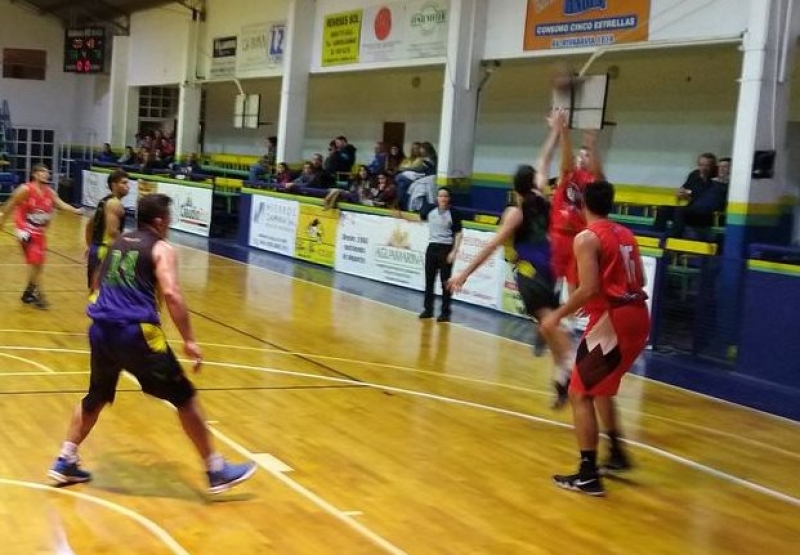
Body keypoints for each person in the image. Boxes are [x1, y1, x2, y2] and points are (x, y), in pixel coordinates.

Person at [47, 194, 257, 494]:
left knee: (96, 396)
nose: (170, 225)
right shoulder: (161, 247)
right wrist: (189, 340)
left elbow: (95, 283)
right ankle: (216, 469)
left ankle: (65, 459)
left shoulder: (117, 244)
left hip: (102, 330)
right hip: (137, 333)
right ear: (159, 221)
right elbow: (171, 293)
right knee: (185, 397)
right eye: (169, 219)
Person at [448, 115, 574, 408]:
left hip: (531, 269)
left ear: (513, 187)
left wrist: (464, 273)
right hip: (553, 266)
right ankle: (561, 373)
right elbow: (545, 160)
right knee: (548, 320)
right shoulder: (541, 193)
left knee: (547, 320)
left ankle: (569, 361)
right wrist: (556, 130)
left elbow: (491, 245)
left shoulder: (514, 213)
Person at [540, 180, 650, 497]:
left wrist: (556, 315)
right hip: (638, 315)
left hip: (612, 318)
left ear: (583, 204)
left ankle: (588, 474)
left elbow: (587, 289)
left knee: (579, 393)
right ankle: (615, 453)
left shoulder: (587, 237)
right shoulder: (626, 234)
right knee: (600, 389)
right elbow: (640, 278)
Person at [0, 164, 83, 309]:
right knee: (36, 261)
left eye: (47, 172)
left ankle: (28, 292)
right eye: (43, 172)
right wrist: (2, 219)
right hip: (25, 230)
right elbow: (10, 204)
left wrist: (76, 211)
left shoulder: (50, 192)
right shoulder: (25, 189)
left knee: (38, 265)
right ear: (35, 174)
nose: (46, 175)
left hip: (39, 231)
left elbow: (61, 205)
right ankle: (39, 295)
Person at [417, 187, 463, 323]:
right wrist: (402, 216)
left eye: (445, 196)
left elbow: (459, 233)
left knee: (446, 283)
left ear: (449, 198)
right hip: (432, 248)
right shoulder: (429, 211)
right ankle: (428, 309)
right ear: (436, 198)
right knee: (429, 281)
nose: (443, 198)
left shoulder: (454, 213)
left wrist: (454, 251)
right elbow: (419, 219)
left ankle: (445, 312)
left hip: (446, 248)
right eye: (440, 196)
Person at [653, 152, 718, 239]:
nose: (703, 168)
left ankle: (674, 236)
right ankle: (657, 234)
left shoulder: (716, 179)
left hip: (705, 213)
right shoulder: (694, 174)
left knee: (681, 211)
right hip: (690, 209)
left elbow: (707, 197)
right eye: (701, 165)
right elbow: (685, 188)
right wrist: (680, 192)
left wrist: (690, 194)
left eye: (707, 165)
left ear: (713, 166)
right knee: (663, 209)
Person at [85, 169, 130, 288]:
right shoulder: (114, 204)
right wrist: (129, 245)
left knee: (95, 293)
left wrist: (90, 246)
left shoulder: (104, 201)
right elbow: (112, 232)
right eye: (124, 183)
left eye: (127, 183)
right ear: (114, 185)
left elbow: (89, 225)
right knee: (105, 293)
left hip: (97, 248)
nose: (127, 186)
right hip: (105, 251)